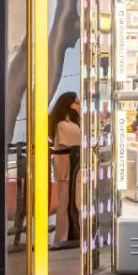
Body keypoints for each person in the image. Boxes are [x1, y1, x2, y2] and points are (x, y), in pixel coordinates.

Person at [49, 92, 82, 247]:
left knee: (70, 199)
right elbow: (77, 138)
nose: (79, 106)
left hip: (70, 163)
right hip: (66, 164)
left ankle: (68, 233)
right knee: (65, 200)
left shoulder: (69, 123)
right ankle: (63, 236)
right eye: (77, 103)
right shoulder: (63, 125)